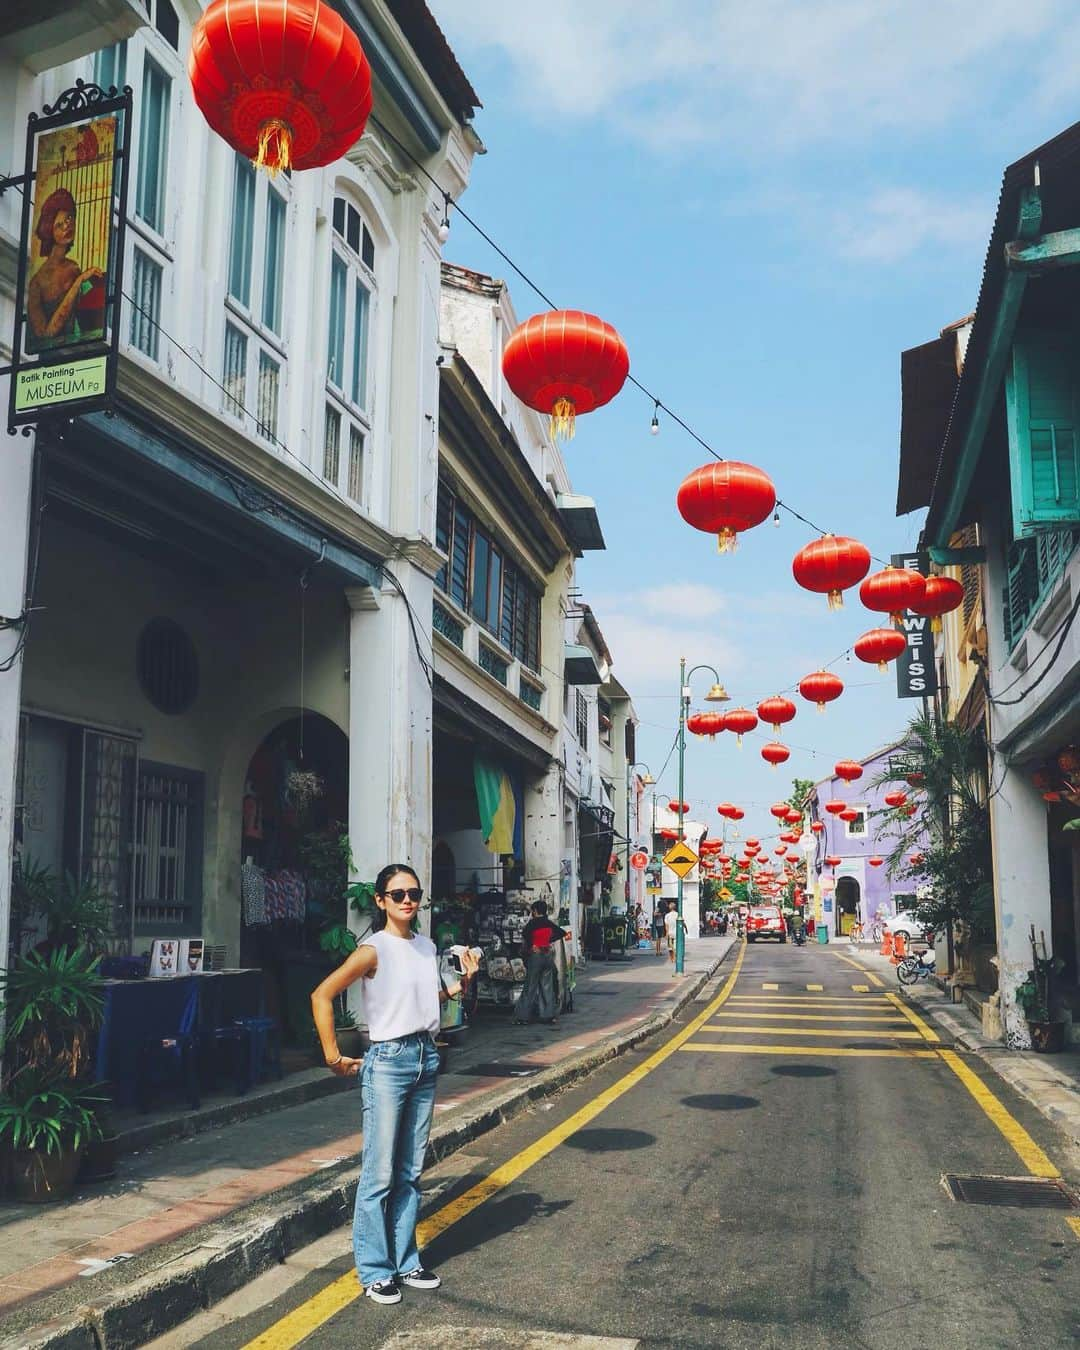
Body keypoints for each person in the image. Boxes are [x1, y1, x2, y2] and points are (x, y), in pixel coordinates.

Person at [311, 863, 479, 1307]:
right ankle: (374, 1270)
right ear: (381, 901)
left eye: (414, 893)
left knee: (410, 1171)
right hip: (387, 1061)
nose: (408, 900)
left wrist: (462, 982)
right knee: (380, 1172)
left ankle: (406, 1261)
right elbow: (322, 994)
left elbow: (429, 999)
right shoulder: (372, 950)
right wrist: (332, 1056)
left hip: (426, 1056)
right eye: (398, 893)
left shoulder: (426, 948)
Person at [26, 188, 105, 352]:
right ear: (49, 232)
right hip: (50, 363)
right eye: (59, 225)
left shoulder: (73, 267)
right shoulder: (37, 282)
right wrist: (78, 283)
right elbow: (47, 335)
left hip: (77, 353)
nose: (67, 226)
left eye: (69, 218)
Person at [514, 900, 566, 1024]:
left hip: (536, 956)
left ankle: (523, 1017)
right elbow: (561, 933)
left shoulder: (533, 923)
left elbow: (525, 935)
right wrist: (547, 942)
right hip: (547, 955)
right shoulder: (548, 923)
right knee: (547, 986)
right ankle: (548, 1016)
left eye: (532, 910)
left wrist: (534, 944)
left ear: (536, 911)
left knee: (530, 987)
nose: (532, 913)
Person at [664, 899, 680, 970]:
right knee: (676, 946)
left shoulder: (667, 915)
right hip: (676, 932)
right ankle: (675, 957)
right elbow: (682, 922)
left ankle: (672, 959)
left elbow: (666, 925)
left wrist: (666, 933)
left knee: (670, 946)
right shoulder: (678, 914)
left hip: (670, 932)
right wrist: (685, 929)